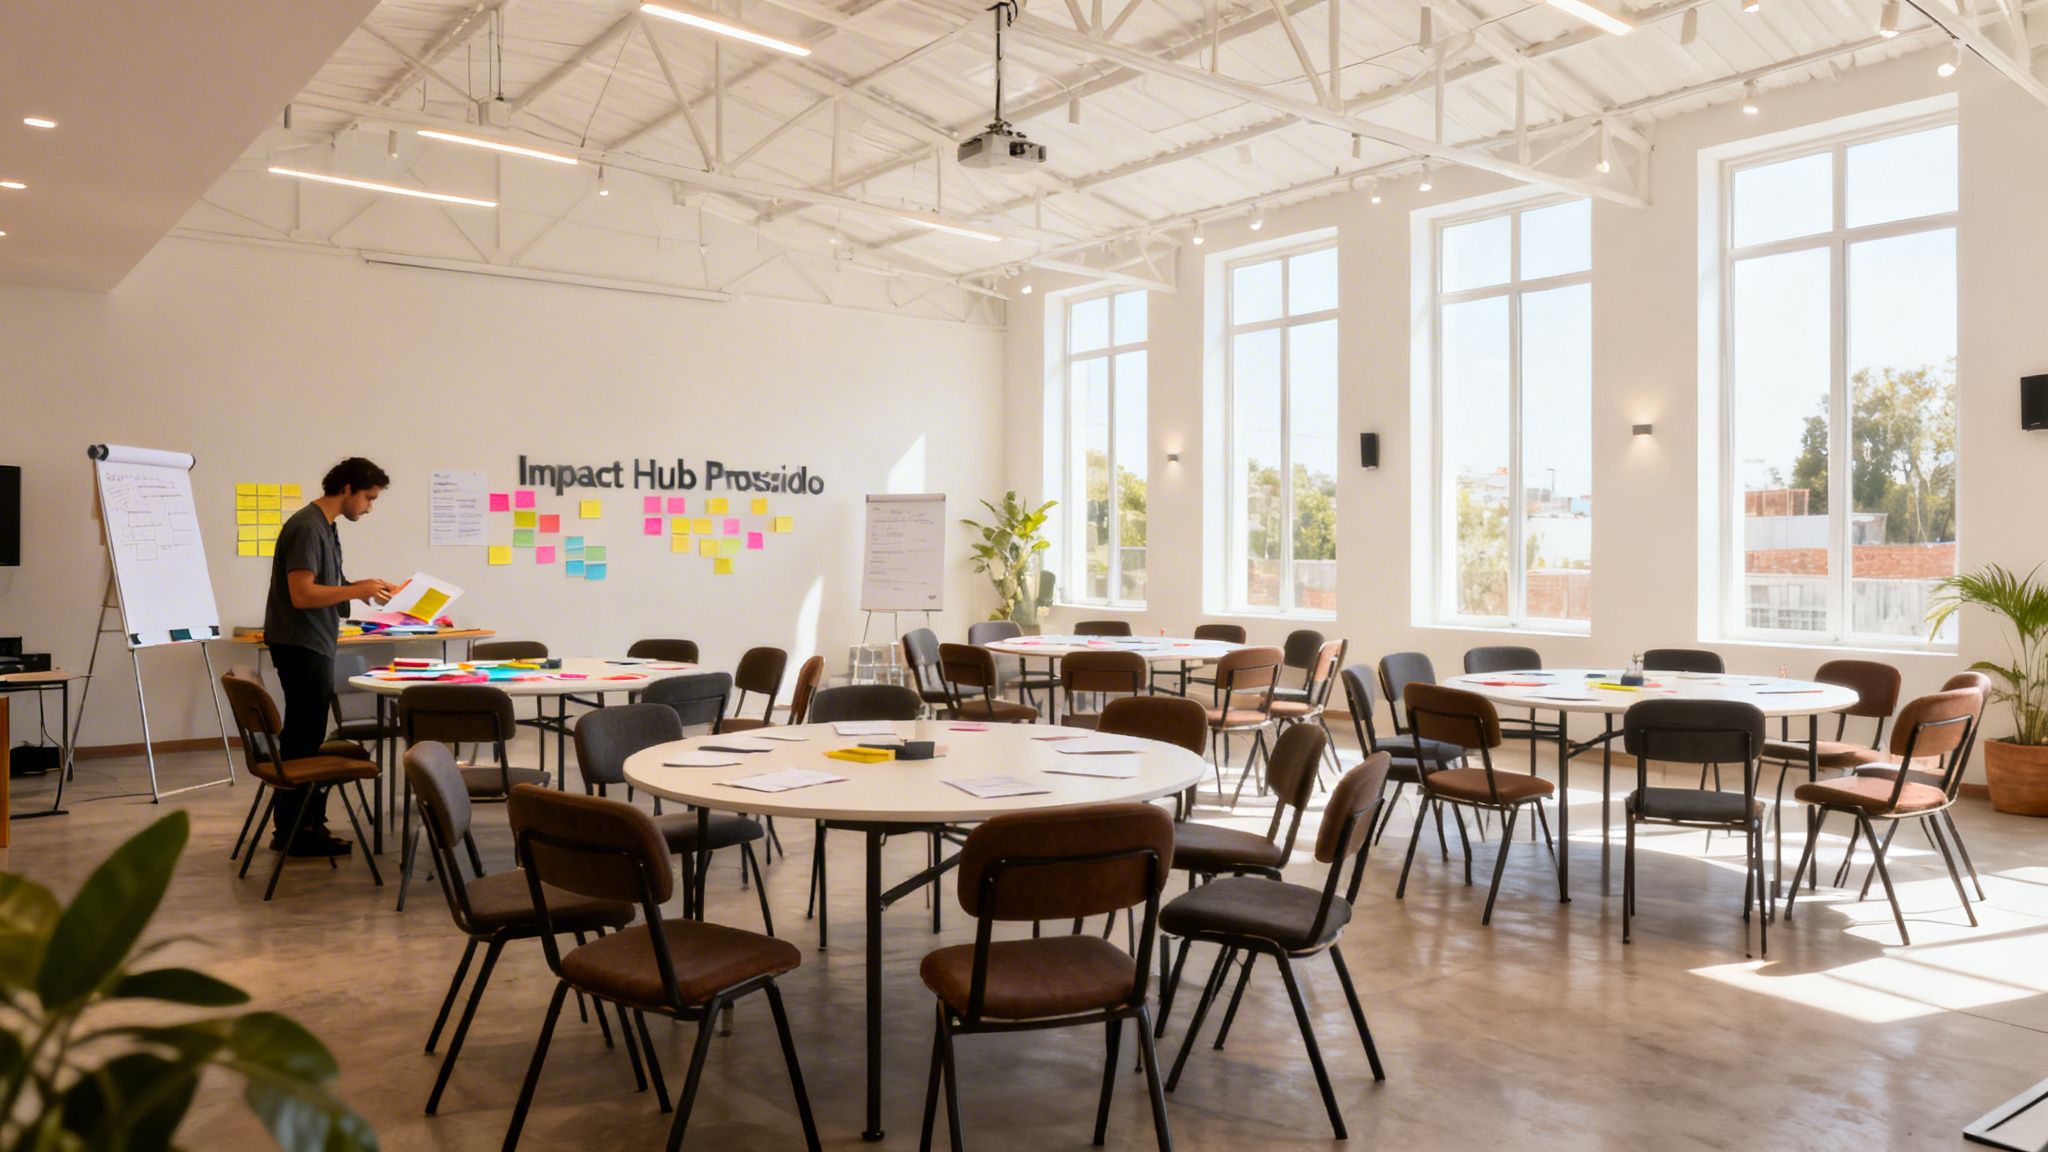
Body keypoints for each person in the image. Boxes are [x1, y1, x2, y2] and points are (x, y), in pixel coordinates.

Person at [262, 457, 397, 856]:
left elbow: (324, 587)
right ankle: (295, 831)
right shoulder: (307, 527)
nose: (370, 508)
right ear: (347, 489)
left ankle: (303, 825)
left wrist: (365, 586)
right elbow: (302, 594)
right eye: (368, 499)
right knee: (303, 741)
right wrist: (356, 590)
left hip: (312, 643)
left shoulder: (325, 527)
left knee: (307, 736)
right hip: (302, 644)